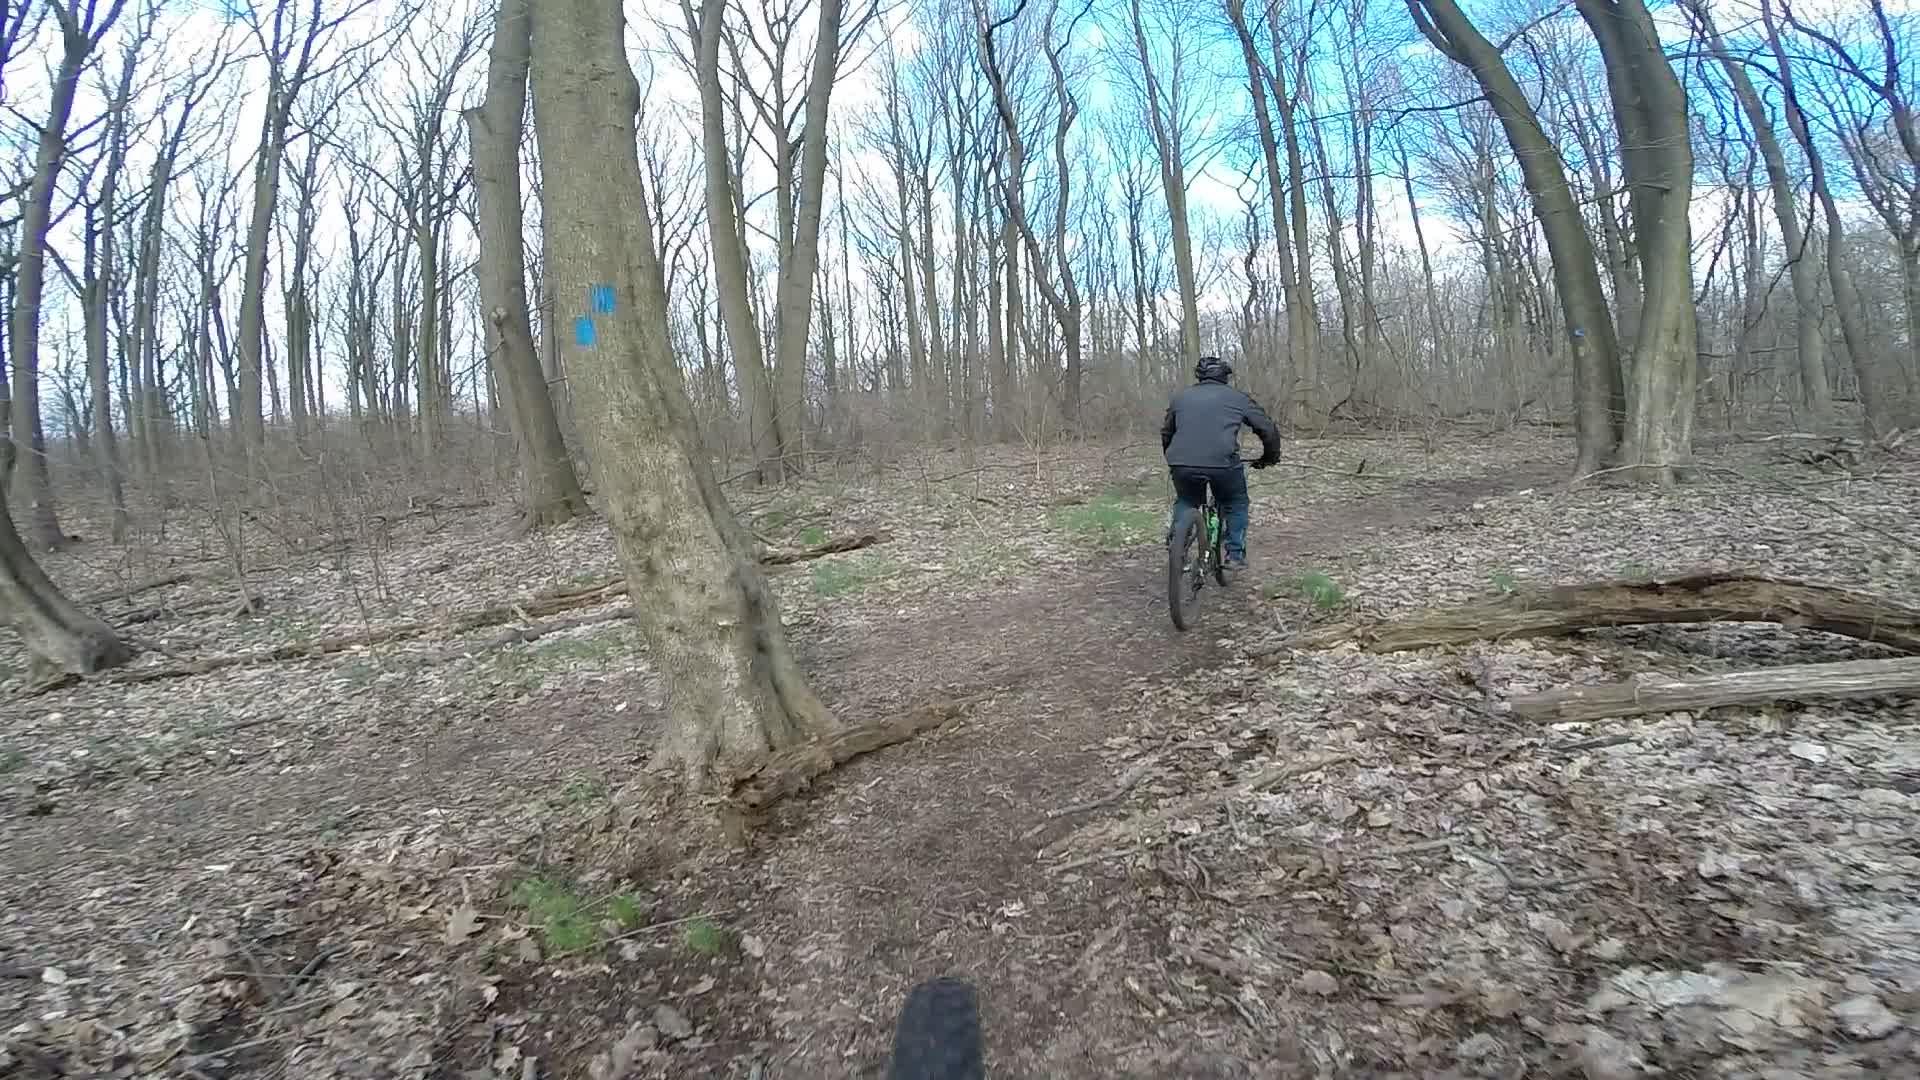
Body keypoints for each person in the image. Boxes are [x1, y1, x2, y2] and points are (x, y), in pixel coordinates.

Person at [1160, 355, 1281, 576]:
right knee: (1235, 501)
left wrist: (1172, 457)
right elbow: (1267, 429)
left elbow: (1167, 432)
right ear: (1225, 377)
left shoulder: (1181, 398)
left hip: (1182, 463)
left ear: (1199, 376)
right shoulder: (1237, 398)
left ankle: (1177, 544)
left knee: (1187, 500)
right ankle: (1235, 554)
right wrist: (1269, 457)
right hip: (1223, 463)